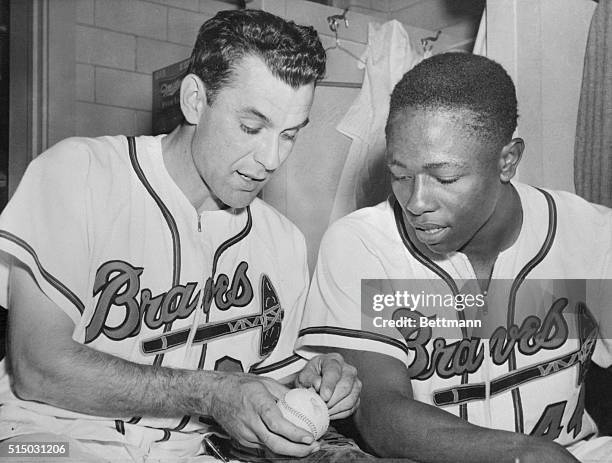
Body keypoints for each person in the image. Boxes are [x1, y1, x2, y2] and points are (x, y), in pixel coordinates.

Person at [0, 9, 365, 463]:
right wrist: (210, 395)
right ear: (195, 100)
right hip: (46, 437)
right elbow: (38, 368)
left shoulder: (282, 240)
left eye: (289, 135)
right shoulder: (78, 173)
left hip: (193, 452)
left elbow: (269, 384)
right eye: (251, 127)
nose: (271, 158)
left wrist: (313, 380)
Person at [296, 52, 612, 463]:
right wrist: (525, 454)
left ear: (507, 161)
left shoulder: (591, 234)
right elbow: (381, 413)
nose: (416, 201)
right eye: (401, 175)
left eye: (445, 178)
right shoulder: (363, 244)